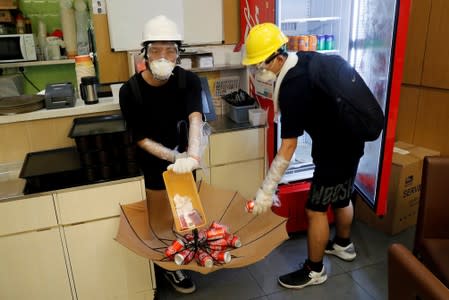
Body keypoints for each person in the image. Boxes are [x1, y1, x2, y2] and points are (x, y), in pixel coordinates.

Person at [242, 23, 384, 289]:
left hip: (334, 152)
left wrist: (266, 189)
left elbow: (288, 147)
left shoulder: (292, 88)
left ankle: (314, 270)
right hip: (352, 141)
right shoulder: (304, 59)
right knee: (343, 195)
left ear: (276, 57)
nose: (259, 72)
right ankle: (344, 245)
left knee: (315, 209)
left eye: (260, 65)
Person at [119, 15, 205, 294]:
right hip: (154, 163)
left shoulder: (188, 80)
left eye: (170, 50)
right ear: (144, 53)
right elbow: (140, 138)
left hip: (185, 159)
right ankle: (169, 268)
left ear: (178, 53)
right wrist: (174, 158)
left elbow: (195, 117)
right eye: (156, 50)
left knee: (186, 215)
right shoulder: (130, 91)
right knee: (160, 221)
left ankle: (182, 254)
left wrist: (192, 155)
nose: (163, 56)